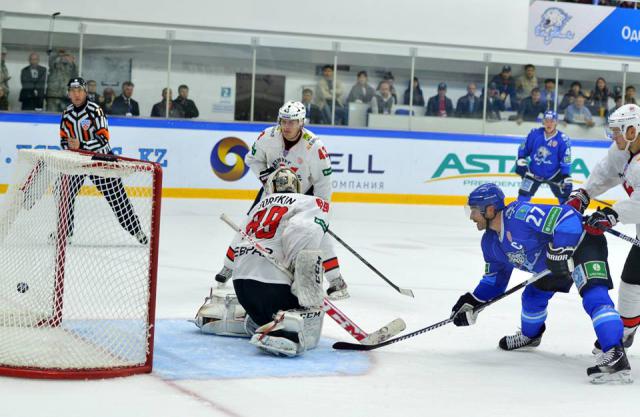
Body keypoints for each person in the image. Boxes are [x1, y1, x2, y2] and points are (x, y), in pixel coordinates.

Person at [451, 183, 630, 383]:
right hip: (551, 263)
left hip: (581, 245)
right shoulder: (490, 244)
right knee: (532, 296)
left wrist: (560, 249)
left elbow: (568, 217)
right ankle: (530, 336)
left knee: (593, 296)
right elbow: (495, 281)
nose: (471, 217)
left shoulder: (519, 214)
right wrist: (474, 300)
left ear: (490, 210)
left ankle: (615, 353)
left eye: (474, 211)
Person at [214, 100, 349, 300]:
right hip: (273, 192)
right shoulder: (267, 136)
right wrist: (267, 178)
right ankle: (228, 266)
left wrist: (322, 212)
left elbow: (323, 182)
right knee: (248, 226)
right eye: (284, 121)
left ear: (301, 122)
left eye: (292, 122)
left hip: (304, 196)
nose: (287, 126)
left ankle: (336, 280)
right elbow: (252, 159)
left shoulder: (314, 146)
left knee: (320, 235)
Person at [195, 167, 328, 357]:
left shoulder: (259, 205)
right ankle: (280, 328)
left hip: (241, 287)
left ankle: (256, 318)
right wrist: (302, 279)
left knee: (263, 294)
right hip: (273, 289)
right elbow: (303, 231)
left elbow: (237, 244)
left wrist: (227, 267)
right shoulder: (309, 202)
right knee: (312, 260)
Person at [566, 103, 640, 354]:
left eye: (618, 131)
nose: (614, 137)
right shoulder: (622, 150)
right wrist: (585, 194)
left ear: (633, 130)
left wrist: (612, 214)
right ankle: (625, 331)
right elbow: (606, 172)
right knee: (631, 282)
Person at [57, 77, 148, 245]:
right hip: (78, 162)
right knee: (63, 192)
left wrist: (81, 145)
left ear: (85, 92)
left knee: (117, 198)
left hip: (101, 160)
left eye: (79, 91)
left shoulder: (95, 110)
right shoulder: (67, 113)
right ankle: (65, 232)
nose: (76, 94)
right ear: (69, 93)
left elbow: (103, 139)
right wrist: (69, 145)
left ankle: (137, 231)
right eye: (73, 91)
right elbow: (63, 138)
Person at [515, 110, 572, 204]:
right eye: (547, 121)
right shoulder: (535, 134)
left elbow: (565, 160)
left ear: (556, 122)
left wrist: (566, 176)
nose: (549, 124)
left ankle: (566, 216)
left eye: (552, 121)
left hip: (555, 174)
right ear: (543, 122)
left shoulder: (563, 139)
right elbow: (523, 149)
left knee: (565, 197)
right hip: (533, 172)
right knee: (523, 195)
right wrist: (521, 160)